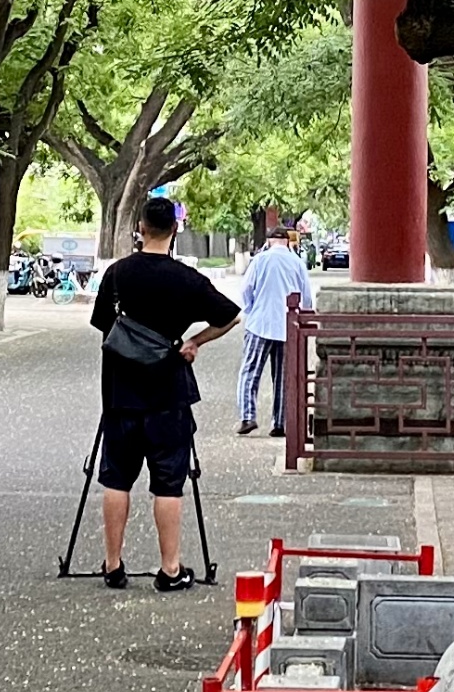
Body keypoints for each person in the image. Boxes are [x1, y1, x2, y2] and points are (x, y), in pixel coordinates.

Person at [89, 194, 237, 592]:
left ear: (141, 227)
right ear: (175, 230)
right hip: (169, 394)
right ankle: (170, 569)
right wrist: (194, 342)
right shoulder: (187, 279)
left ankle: (113, 565)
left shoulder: (117, 274)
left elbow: (103, 324)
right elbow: (231, 315)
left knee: (116, 480)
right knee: (168, 483)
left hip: (120, 394)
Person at [233, 218, 311, 435]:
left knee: (250, 372)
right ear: (287, 242)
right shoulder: (297, 263)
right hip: (288, 326)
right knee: (283, 377)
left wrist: (251, 310)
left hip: (260, 323)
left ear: (268, 242)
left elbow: (245, 291)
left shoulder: (260, 260)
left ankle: (248, 416)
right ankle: (280, 423)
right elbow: (306, 298)